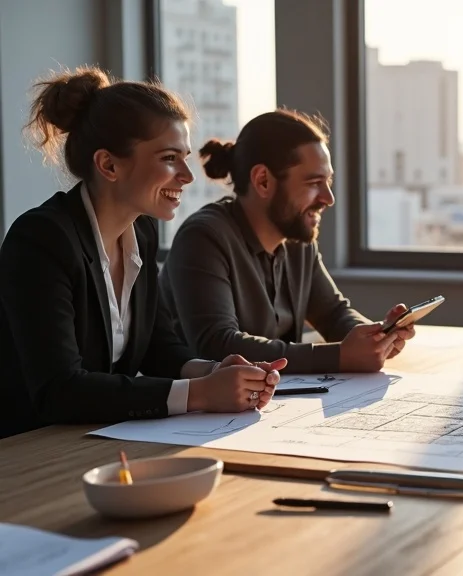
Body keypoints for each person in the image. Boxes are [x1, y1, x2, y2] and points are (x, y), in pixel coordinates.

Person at [0, 67, 284, 439]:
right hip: (27, 451)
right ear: (109, 165)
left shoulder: (143, 233)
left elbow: (157, 346)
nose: (187, 175)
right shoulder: (41, 239)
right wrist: (199, 394)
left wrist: (213, 371)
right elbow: (59, 390)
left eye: (184, 157)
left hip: (90, 440)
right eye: (169, 158)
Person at [159, 110, 415, 374]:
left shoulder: (296, 241)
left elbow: (333, 315)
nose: (328, 198)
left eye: (328, 182)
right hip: (200, 409)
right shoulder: (203, 237)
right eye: (315, 183)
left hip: (265, 402)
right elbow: (217, 345)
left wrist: (377, 337)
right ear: (263, 181)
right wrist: (339, 356)